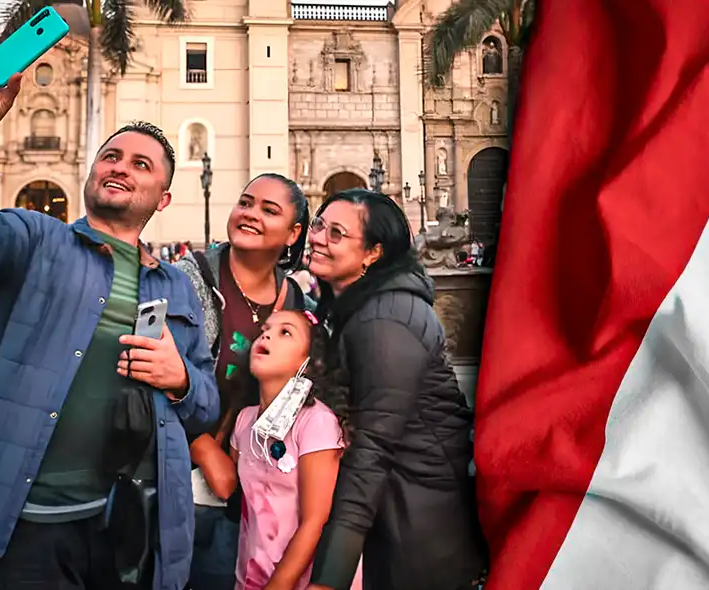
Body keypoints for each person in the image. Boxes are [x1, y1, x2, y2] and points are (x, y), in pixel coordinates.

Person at [0, 43, 219, 590]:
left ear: (164, 198)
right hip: (32, 526)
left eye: (141, 164)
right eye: (111, 158)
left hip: (132, 524)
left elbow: (203, 406)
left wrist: (180, 379)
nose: (120, 168)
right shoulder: (36, 242)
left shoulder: (178, 287)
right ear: (93, 174)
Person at [305, 189, 488, 590]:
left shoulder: (384, 320)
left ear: (372, 253)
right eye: (319, 224)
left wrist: (329, 577)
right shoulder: (360, 305)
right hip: (401, 506)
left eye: (336, 233)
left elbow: (373, 448)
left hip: (415, 520)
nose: (317, 237)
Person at [174, 173, 308, 590]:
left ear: (293, 233)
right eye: (246, 203)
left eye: (270, 210)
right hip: (176, 480)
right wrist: (203, 448)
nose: (250, 214)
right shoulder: (188, 279)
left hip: (247, 496)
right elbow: (151, 372)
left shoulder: (294, 299)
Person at [229, 310, 356, 590]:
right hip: (249, 577)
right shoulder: (243, 420)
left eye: (285, 332)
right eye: (265, 329)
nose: (266, 334)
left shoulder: (316, 422)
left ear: (308, 362)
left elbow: (314, 520)